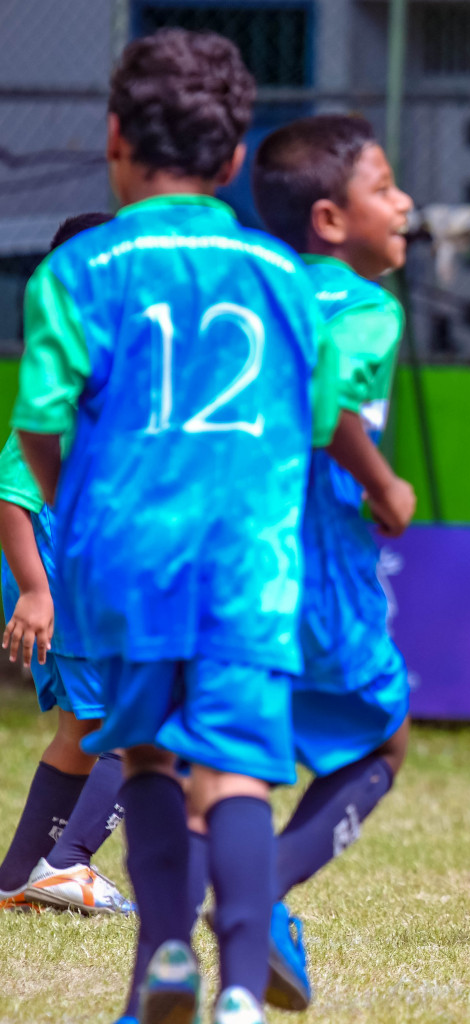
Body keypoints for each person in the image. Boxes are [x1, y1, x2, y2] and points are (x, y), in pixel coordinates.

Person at [11, 28, 341, 1024]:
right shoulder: (284, 275)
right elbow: (313, 426)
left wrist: (81, 514)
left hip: (122, 557)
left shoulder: (77, 271)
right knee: (236, 765)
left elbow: (38, 427)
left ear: (114, 138)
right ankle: (241, 986)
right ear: (236, 158)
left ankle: (161, 962)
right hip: (248, 559)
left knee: (147, 754)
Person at [249, 113, 417, 1011]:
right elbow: (326, 409)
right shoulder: (364, 306)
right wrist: (386, 487)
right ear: (328, 219)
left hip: (224, 552)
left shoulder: (254, 289)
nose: (405, 204)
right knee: (381, 741)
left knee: (216, 748)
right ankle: (259, 896)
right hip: (317, 559)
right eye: (386, 188)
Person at [0, 212, 134, 917]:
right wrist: (33, 589)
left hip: (78, 583)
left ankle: (18, 878)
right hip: (62, 586)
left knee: (83, 732)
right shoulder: (67, 371)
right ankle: (69, 862)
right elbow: (10, 492)